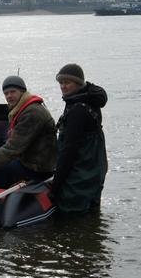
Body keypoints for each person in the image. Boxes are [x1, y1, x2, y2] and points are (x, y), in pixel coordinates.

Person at [0, 76, 57, 188]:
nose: (9, 96)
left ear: (22, 92)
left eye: (12, 92)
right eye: (6, 93)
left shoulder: (32, 112)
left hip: (36, 169)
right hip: (30, 160)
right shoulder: (25, 108)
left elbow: (13, 147)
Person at [52, 63, 108, 213]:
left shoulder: (77, 110)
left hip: (81, 174)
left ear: (78, 84)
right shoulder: (88, 100)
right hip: (95, 171)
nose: (63, 86)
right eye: (61, 83)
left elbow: (68, 151)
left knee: (70, 214)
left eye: (67, 82)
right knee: (91, 212)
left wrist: (55, 186)